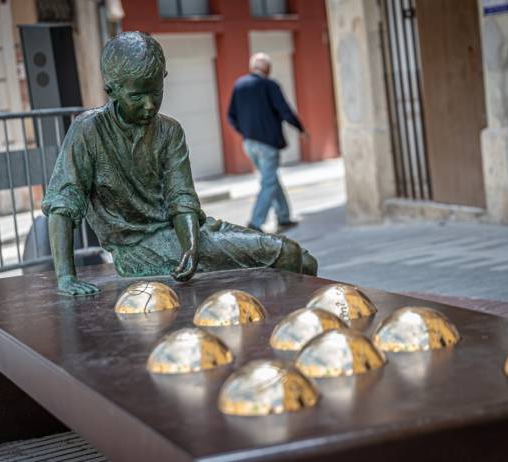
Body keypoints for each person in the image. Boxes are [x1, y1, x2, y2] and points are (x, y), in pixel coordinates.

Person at [41, 32, 317, 296]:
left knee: (303, 259)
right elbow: (62, 204)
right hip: (137, 249)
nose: (149, 105)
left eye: (156, 92)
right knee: (287, 255)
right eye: (137, 97)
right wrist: (66, 276)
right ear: (111, 91)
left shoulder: (170, 131)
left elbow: (180, 198)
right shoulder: (88, 131)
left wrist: (191, 247)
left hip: (184, 234)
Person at [228, 52, 307, 233]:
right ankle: (255, 223)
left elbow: (230, 116)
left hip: (249, 143)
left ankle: (284, 217)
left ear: (252, 67)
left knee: (270, 179)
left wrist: (246, 132)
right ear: (268, 69)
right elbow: (285, 110)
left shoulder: (239, 85)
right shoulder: (270, 85)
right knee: (268, 182)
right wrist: (301, 129)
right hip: (267, 144)